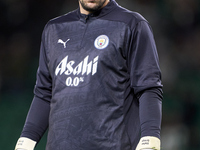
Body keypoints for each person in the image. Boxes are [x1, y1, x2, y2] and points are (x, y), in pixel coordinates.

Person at [15, 0, 163, 150]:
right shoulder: (54, 29)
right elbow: (45, 92)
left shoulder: (132, 24)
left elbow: (148, 87)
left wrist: (150, 138)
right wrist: (26, 140)